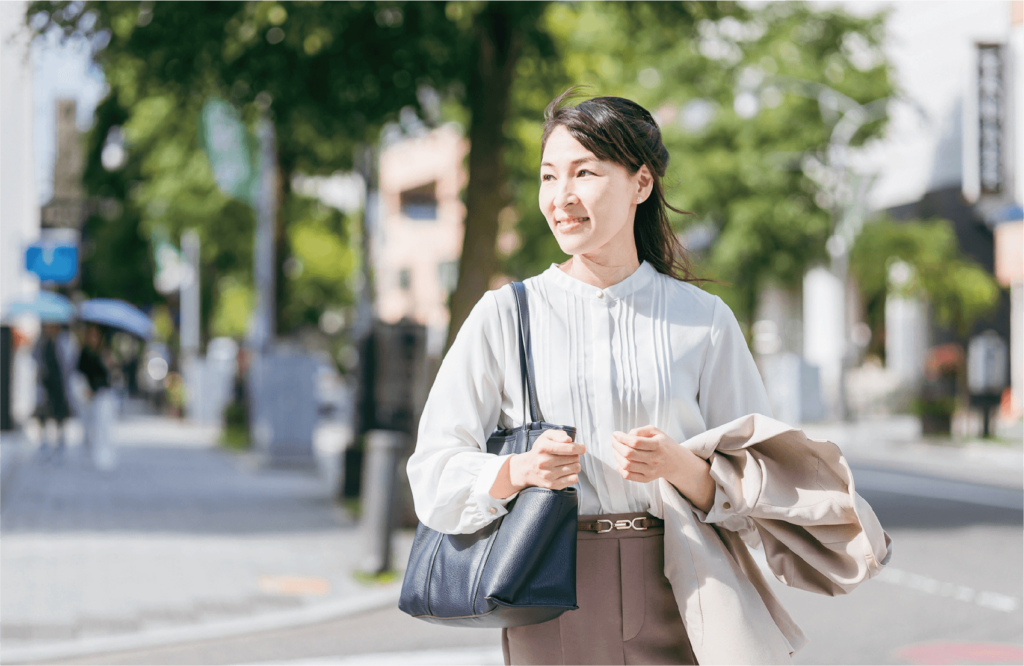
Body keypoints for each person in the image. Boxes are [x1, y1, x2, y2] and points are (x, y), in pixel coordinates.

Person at [407, 90, 889, 666]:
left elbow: (763, 486)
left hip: (685, 581)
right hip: (549, 586)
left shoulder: (703, 319)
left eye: (584, 173)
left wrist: (680, 467)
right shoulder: (505, 316)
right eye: (548, 176)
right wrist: (519, 470)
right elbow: (433, 465)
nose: (561, 197)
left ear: (641, 183)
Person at [34, 323, 72, 461]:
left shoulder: (63, 341)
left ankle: (61, 440)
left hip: (59, 385)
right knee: (42, 413)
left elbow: (68, 363)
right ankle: (44, 440)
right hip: (45, 384)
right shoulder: (41, 342)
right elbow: (35, 358)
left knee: (59, 413)